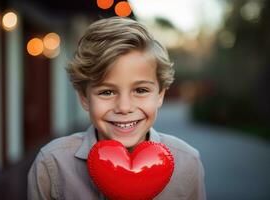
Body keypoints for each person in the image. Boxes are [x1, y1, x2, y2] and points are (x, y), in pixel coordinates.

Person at [27, 16, 206, 200]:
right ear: (84, 97)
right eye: (106, 92)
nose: (124, 107)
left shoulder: (187, 163)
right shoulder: (52, 164)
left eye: (141, 90)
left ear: (160, 94)